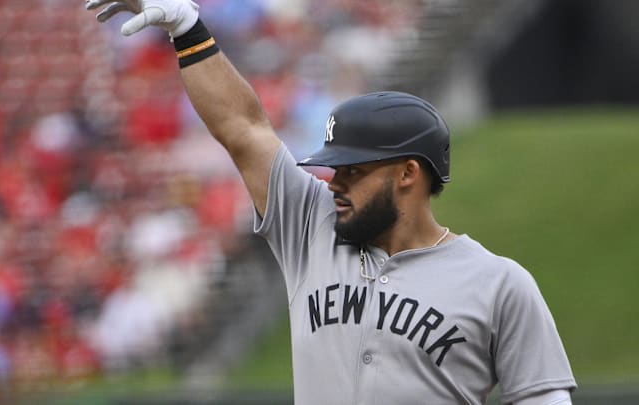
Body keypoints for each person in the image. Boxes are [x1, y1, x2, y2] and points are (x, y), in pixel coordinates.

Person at [85, 1, 577, 403]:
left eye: (353, 171)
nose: (334, 181)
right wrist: (189, 30)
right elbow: (245, 131)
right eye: (334, 167)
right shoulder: (312, 225)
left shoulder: (500, 285)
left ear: (408, 174)